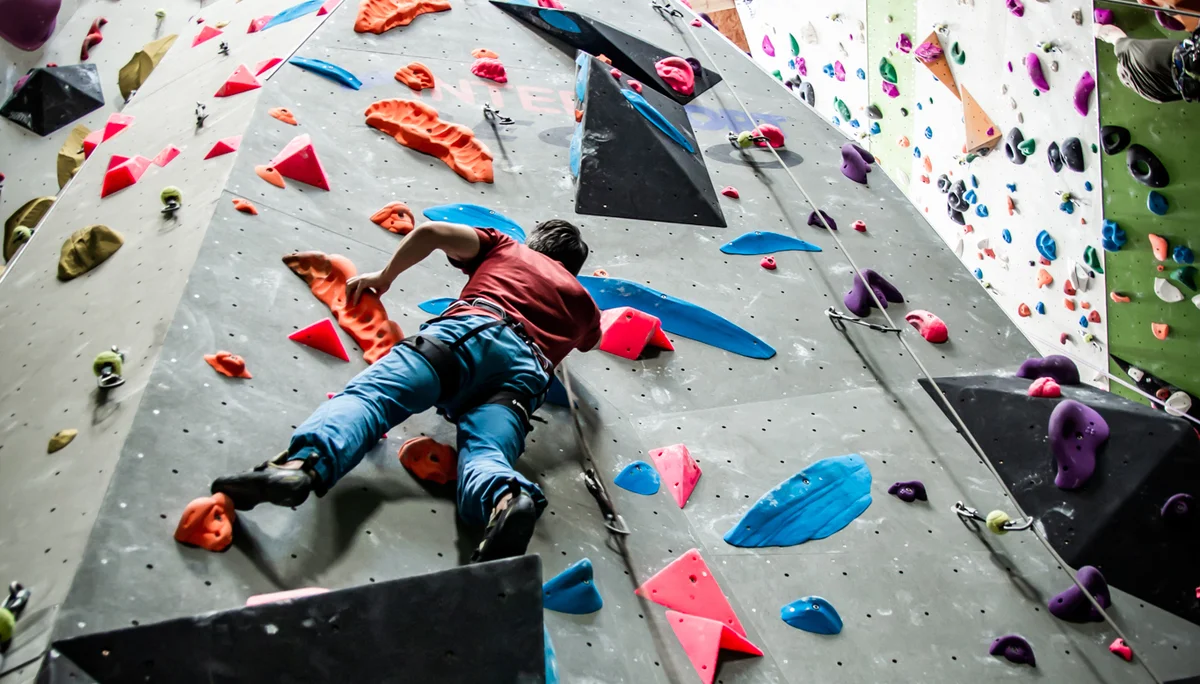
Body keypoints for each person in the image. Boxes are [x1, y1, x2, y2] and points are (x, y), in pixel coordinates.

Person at [211, 219, 602, 562]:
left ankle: (302, 468)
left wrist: (384, 277)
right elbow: (588, 343)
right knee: (488, 453)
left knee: (371, 399)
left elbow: (430, 233)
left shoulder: (507, 247)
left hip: (468, 336)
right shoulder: (586, 308)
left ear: (535, 243)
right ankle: (507, 498)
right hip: (521, 379)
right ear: (574, 269)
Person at [1096, 19, 1200, 102]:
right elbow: (1113, 35)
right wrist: (1098, 30)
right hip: (1188, 59)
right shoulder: (1130, 52)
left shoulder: (1151, 94)